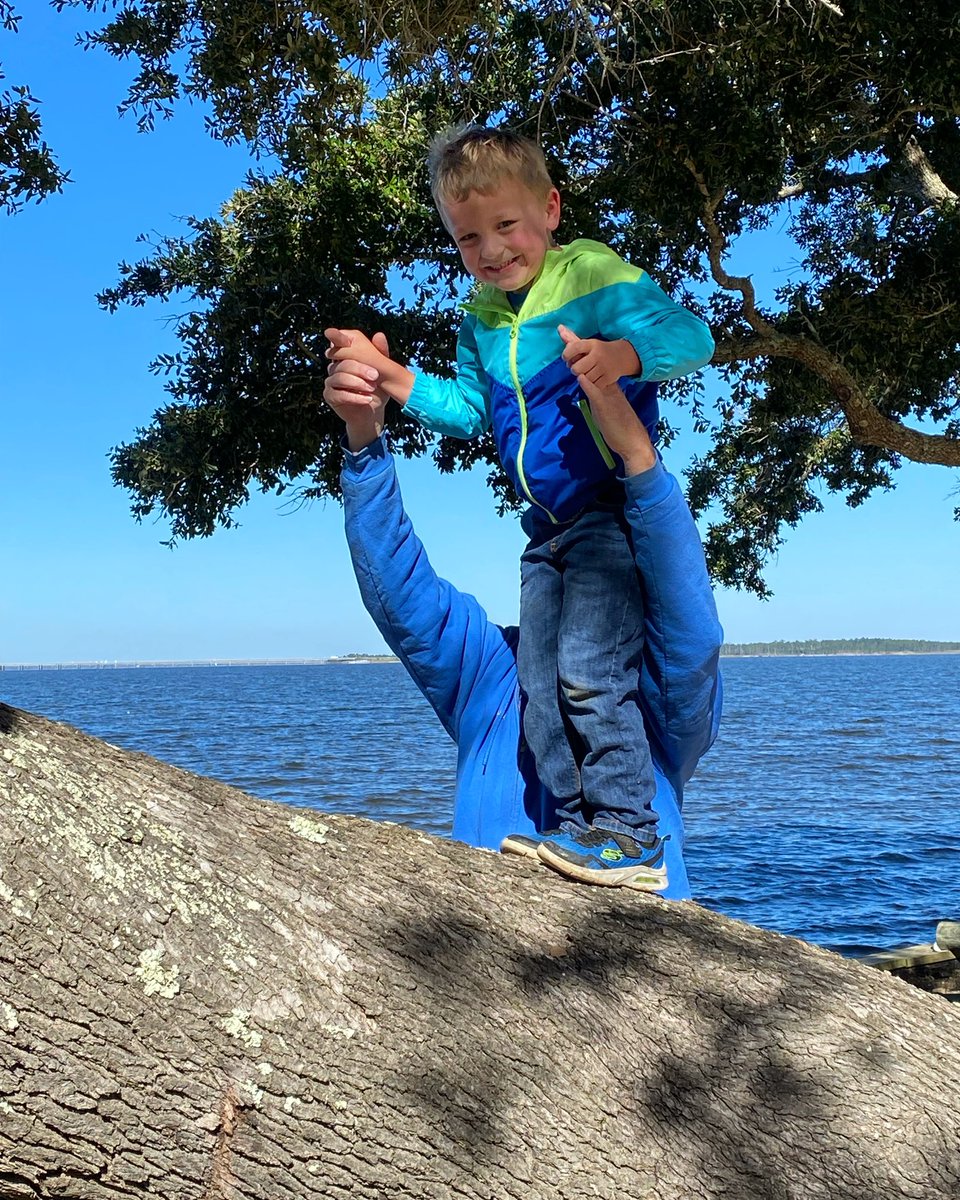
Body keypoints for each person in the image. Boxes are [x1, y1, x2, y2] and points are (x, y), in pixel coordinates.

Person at [324, 125, 715, 892]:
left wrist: (624, 361)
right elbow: (470, 411)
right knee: (543, 685)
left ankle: (632, 835)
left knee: (590, 672)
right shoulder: (481, 320)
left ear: (550, 209)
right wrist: (389, 386)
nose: (492, 249)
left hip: (609, 516)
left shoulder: (593, 274)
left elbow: (690, 335)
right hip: (547, 531)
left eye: (507, 225)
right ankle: (574, 829)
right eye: (469, 237)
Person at [322, 341, 722, 902]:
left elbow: (690, 624)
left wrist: (639, 464)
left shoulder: (652, 697)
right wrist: (364, 439)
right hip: (483, 965)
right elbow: (398, 591)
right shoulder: (490, 674)